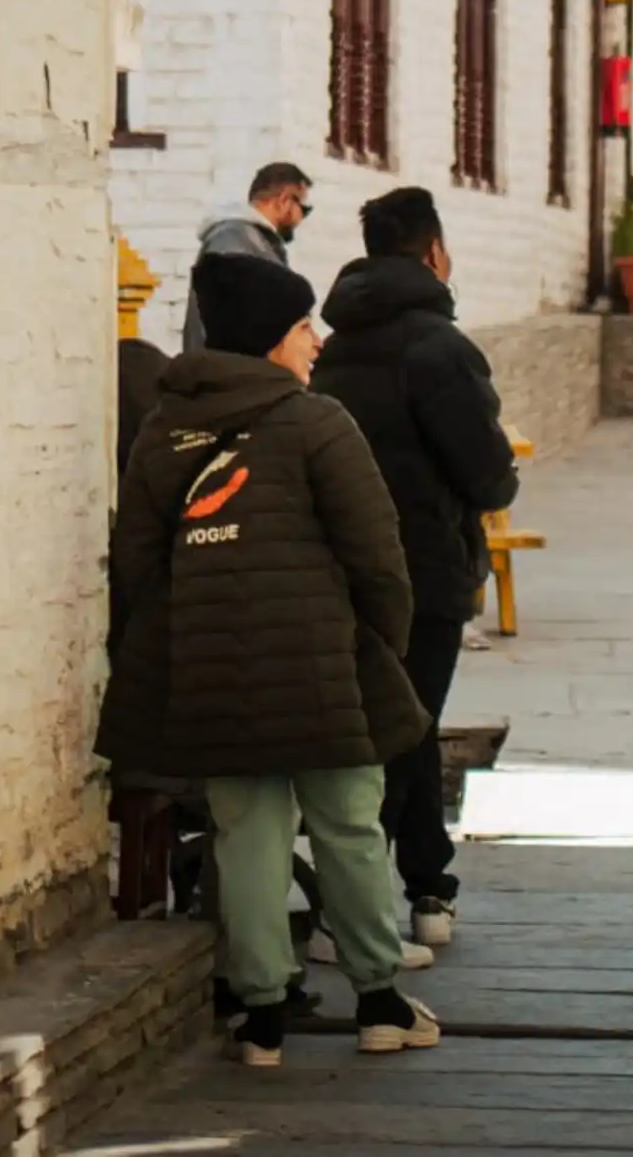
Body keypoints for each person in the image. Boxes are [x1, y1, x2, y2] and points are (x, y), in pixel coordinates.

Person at [98, 251, 440, 1067]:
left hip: (211, 670)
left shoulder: (162, 428)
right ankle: (380, 1002)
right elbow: (378, 560)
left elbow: (137, 563)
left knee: (244, 835)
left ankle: (260, 1019)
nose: (316, 341)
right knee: (348, 828)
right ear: (267, 339)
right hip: (324, 666)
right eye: (301, 326)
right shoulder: (316, 423)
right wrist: (381, 648)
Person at [312, 187, 521, 949]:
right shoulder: (439, 347)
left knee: (403, 722)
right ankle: (356, 908)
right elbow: (488, 472)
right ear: (433, 251)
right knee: (401, 728)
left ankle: (429, 885)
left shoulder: (333, 345)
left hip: (345, 567)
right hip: (425, 571)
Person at [182, 162, 314, 352]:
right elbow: (225, 325)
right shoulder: (233, 240)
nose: (301, 218)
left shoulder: (254, 241)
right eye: (304, 209)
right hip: (230, 374)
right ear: (284, 201)